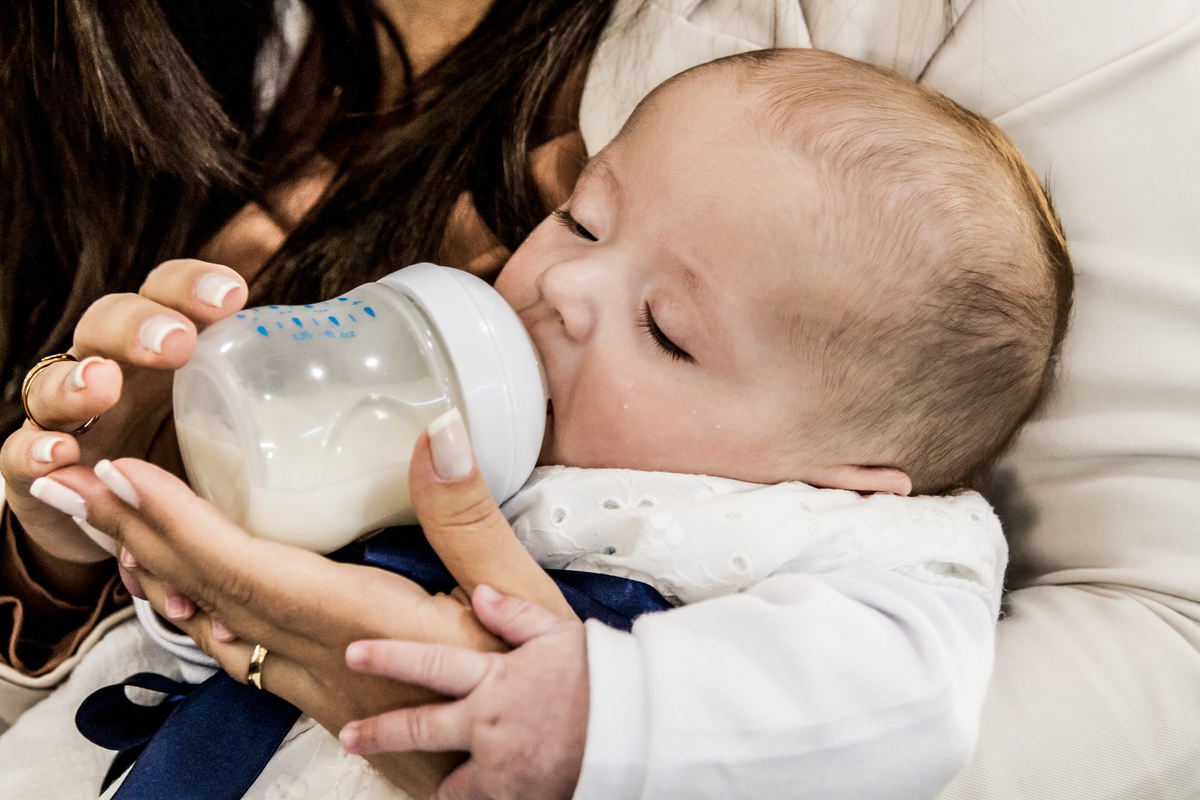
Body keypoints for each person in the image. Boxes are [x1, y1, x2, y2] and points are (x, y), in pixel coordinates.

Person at [3, 1, 1200, 799]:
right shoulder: (464, 432)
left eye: (669, 330)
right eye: (580, 218)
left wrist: (606, 717)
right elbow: (214, 639)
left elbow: (912, 699)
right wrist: (114, 552)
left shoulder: (847, 542)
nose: (565, 286)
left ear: (845, 469)